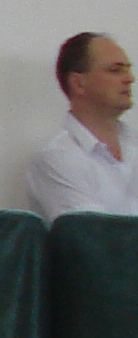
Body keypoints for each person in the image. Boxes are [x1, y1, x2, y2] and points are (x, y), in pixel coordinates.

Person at [26, 33, 138, 218]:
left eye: (128, 70)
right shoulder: (56, 158)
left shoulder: (133, 143)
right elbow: (94, 231)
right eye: (115, 70)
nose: (130, 78)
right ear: (78, 83)